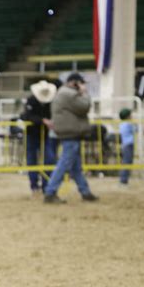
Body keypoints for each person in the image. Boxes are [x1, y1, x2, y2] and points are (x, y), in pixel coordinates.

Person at [43, 72, 98, 204]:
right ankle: (50, 192)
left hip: (69, 132)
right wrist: (84, 93)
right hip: (71, 133)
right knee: (64, 164)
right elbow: (84, 107)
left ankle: (85, 192)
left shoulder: (63, 93)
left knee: (75, 167)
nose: (83, 86)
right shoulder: (69, 94)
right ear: (75, 83)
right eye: (81, 83)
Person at [20, 79, 57, 194]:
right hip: (32, 134)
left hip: (45, 135)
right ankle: (34, 185)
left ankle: (46, 185)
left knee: (49, 159)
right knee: (32, 160)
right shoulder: (31, 100)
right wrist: (42, 121)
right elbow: (26, 116)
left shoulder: (50, 102)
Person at [118, 108, 135, 186]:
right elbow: (135, 129)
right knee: (127, 162)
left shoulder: (122, 124)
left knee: (127, 161)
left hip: (126, 144)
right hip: (128, 145)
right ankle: (123, 180)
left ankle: (124, 180)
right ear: (127, 116)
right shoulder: (127, 124)